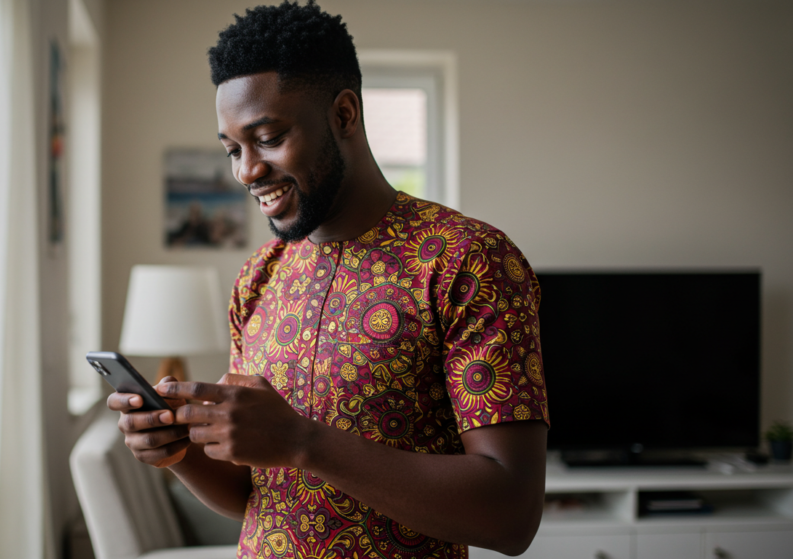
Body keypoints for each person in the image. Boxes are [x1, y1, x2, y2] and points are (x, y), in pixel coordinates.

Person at [108, 2, 549, 557]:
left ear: (344, 115)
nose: (247, 171)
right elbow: (259, 496)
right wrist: (180, 454)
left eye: (267, 138)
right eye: (232, 150)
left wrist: (301, 441)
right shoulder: (258, 276)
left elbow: (511, 515)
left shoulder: (467, 260)